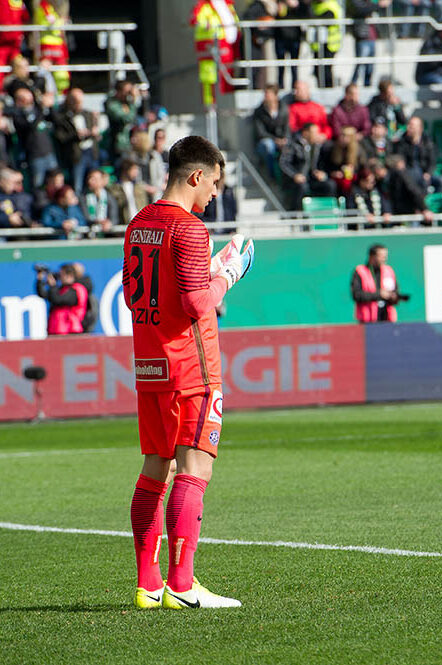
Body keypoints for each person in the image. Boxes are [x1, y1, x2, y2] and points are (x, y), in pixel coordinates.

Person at [122, 135, 253, 610]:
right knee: (194, 471)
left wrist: (208, 272)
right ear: (196, 177)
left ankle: (148, 584)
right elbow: (197, 302)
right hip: (192, 368)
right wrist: (229, 273)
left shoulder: (139, 223)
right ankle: (181, 585)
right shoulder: (191, 229)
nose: (215, 193)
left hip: (150, 364)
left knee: (156, 467)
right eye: (214, 183)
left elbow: (131, 294)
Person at [191, 0, 241, 106]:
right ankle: (210, 107)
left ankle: (227, 105)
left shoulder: (228, 6)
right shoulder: (203, 7)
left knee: (226, 75)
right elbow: (198, 22)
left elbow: (236, 25)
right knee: (209, 79)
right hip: (209, 48)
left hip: (226, 46)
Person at [52, 88, 101, 195]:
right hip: (76, 155)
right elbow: (61, 137)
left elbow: (96, 133)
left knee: (94, 182)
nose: (79, 104)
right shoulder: (62, 117)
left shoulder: (88, 114)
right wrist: (76, 135)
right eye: (77, 102)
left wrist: (95, 132)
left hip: (91, 152)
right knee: (77, 185)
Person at [279, 122, 337, 209]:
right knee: (302, 187)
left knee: (330, 185)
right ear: (305, 133)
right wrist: (294, 175)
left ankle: (325, 213)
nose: (318, 135)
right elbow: (284, 163)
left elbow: (322, 163)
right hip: (295, 181)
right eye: (315, 133)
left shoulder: (318, 146)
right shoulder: (293, 145)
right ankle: (297, 215)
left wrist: (322, 173)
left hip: (312, 179)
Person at [13, 87, 58, 190]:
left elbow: (55, 120)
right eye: (25, 98)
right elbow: (31, 127)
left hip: (48, 152)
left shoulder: (37, 110)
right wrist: (42, 108)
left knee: (55, 183)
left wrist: (50, 107)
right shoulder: (17, 115)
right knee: (38, 185)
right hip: (35, 155)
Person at [351, 243, 405, 322]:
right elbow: (357, 295)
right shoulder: (360, 271)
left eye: (385, 256)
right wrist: (379, 295)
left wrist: (393, 297)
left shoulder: (389, 271)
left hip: (387, 319)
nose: (384, 259)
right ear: (372, 257)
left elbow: (395, 291)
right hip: (368, 321)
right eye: (381, 256)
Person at [395, 115, 442, 193]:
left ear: (420, 128)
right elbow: (401, 160)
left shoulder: (428, 142)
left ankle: (430, 201)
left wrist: (428, 173)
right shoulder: (402, 142)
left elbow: (432, 162)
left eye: (412, 126)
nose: (409, 128)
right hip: (410, 172)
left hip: (425, 172)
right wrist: (412, 143)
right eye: (409, 125)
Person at [36, 263, 88, 335]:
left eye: (62, 275)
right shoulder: (61, 289)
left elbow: (58, 300)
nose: (60, 278)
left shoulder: (76, 290)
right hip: (55, 330)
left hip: (70, 330)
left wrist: (53, 286)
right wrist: (40, 280)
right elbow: (44, 295)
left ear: (70, 275)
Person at [348, 0, 389, 88]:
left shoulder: (370, 3)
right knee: (360, 64)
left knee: (370, 66)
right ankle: (353, 85)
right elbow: (362, 10)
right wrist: (379, 4)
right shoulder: (357, 2)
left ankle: (367, 85)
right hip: (362, 38)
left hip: (372, 38)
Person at [35, 0, 70, 93]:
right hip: (47, 44)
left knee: (62, 76)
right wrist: (62, 21)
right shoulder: (43, 5)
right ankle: (42, 95)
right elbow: (50, 22)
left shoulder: (54, 8)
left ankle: (62, 94)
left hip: (59, 44)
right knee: (44, 72)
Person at [308, 0, 342, 87]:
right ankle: (321, 87)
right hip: (318, 45)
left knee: (326, 71)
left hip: (330, 44)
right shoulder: (314, 5)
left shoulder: (331, 5)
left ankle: (328, 89)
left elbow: (324, 19)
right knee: (317, 71)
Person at [109, 159, 151, 226]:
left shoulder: (139, 187)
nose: (136, 172)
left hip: (141, 224)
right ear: (126, 170)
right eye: (134, 169)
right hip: (124, 224)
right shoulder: (115, 188)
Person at [104, 80, 139, 161]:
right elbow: (126, 119)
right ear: (119, 91)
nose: (129, 94)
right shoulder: (112, 104)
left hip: (128, 144)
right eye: (127, 91)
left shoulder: (127, 104)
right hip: (117, 144)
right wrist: (134, 101)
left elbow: (135, 120)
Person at [82, 168, 113, 234]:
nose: (90, 181)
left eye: (94, 179)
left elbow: (114, 217)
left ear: (102, 181)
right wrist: (98, 222)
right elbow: (84, 217)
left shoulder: (109, 197)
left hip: (107, 234)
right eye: (89, 178)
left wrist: (109, 223)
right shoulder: (82, 197)